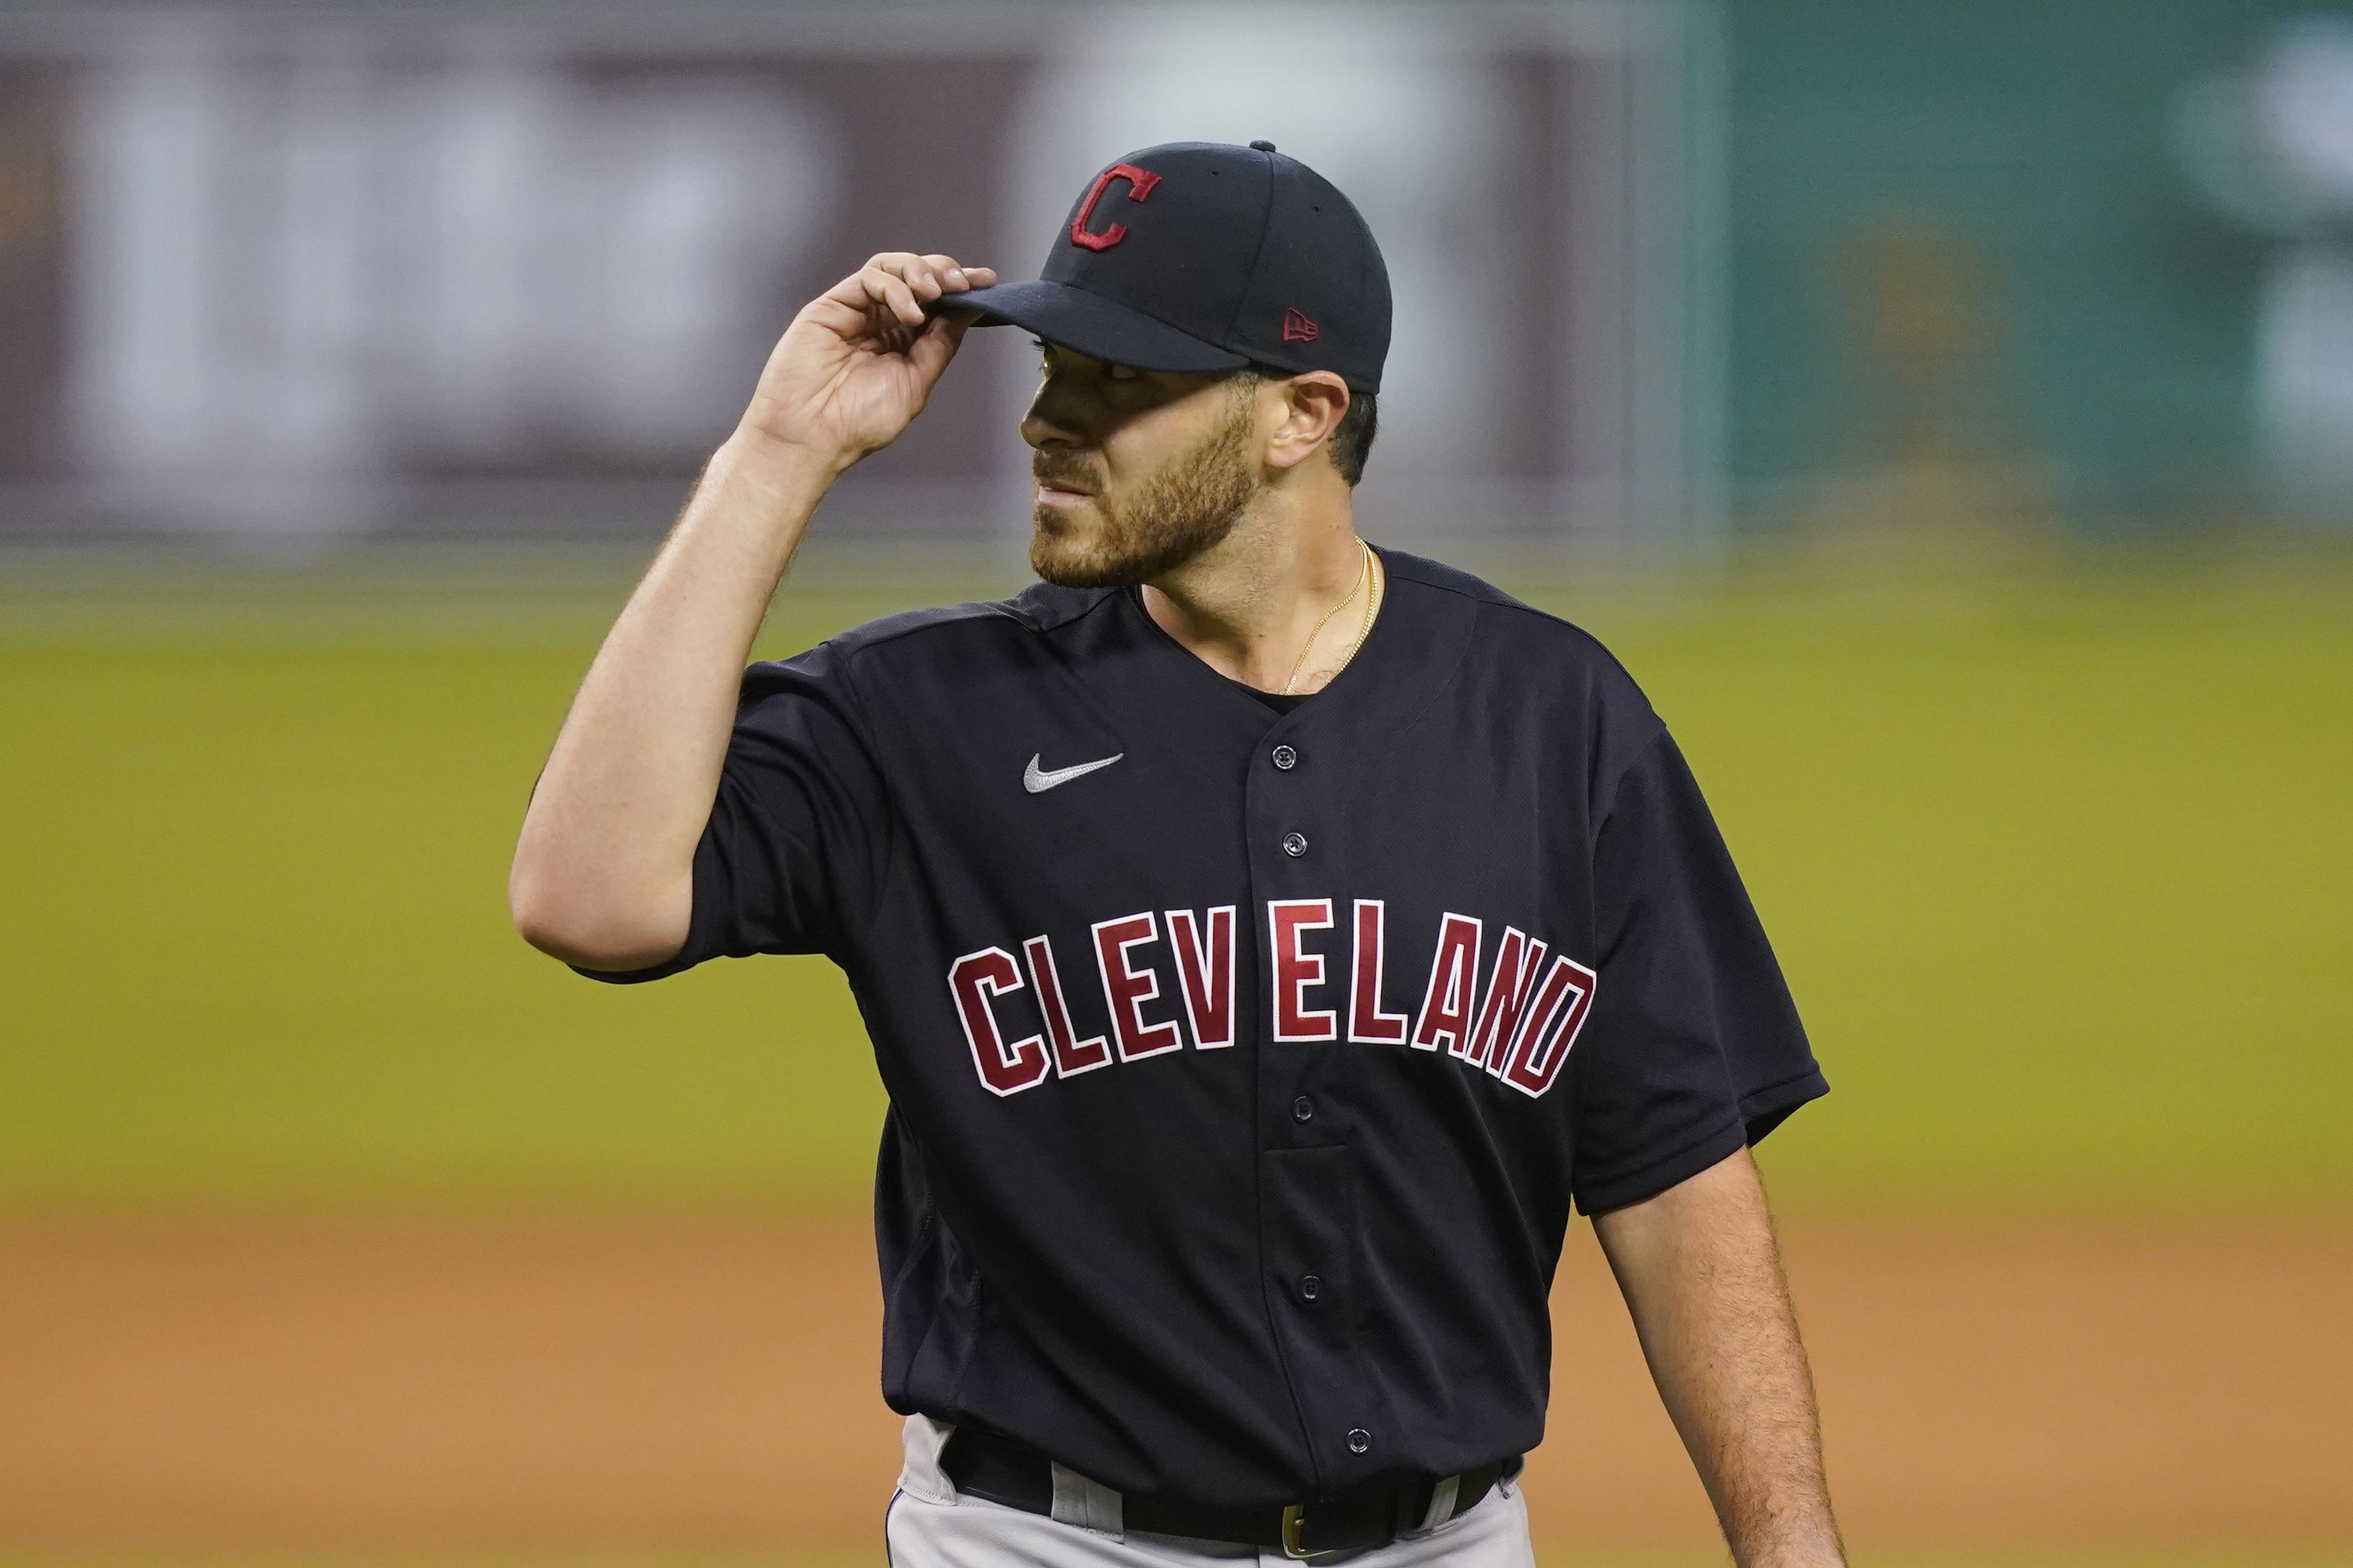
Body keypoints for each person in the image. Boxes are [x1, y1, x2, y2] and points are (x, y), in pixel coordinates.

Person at [510, 141, 1843, 1567]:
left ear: (1301, 415)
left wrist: (1790, 1546)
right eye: (1050, 365)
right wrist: (779, 450)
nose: (1048, 420)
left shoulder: (1550, 716)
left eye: (1120, 382)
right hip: (1046, 1542)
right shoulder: (925, 718)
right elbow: (590, 896)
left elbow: (1675, 1176)